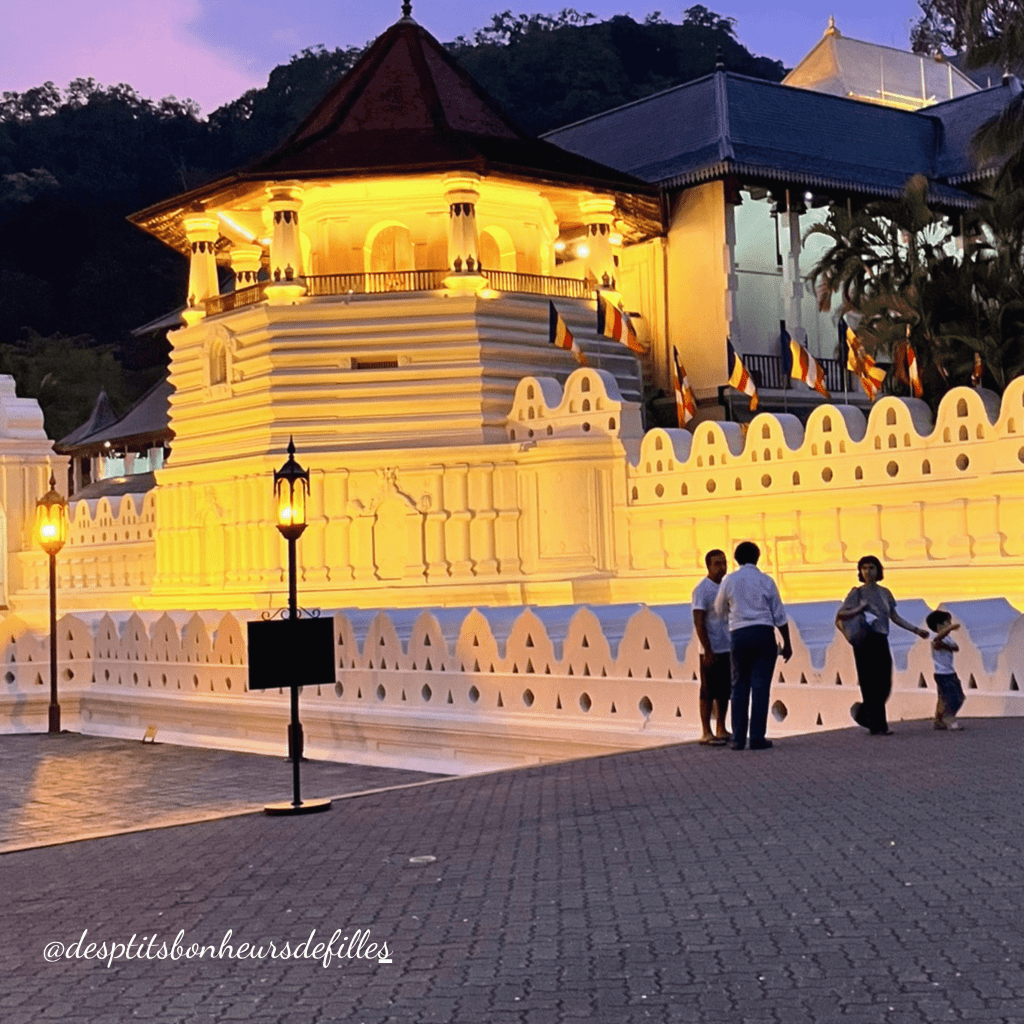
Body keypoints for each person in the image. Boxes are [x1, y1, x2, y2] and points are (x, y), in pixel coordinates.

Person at [837, 555, 928, 736]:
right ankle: (878, 726)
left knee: (884, 683)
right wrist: (859, 609)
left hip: (880, 639)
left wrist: (916, 630)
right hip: (864, 640)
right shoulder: (857, 593)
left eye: (871, 568)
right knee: (869, 683)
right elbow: (841, 615)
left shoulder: (884, 593)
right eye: (864, 568)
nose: (868, 571)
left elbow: (894, 617)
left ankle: (864, 714)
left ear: (878, 570)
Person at [713, 541, 792, 751]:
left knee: (738, 687)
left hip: (739, 636)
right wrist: (788, 643)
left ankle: (738, 739)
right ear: (758, 557)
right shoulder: (766, 580)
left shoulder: (729, 581)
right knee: (760, 688)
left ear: (736, 559)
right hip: (764, 635)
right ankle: (757, 737)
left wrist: (733, 618)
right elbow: (779, 615)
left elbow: (719, 609)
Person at [692, 549, 732, 746]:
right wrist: (707, 650)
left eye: (724, 563)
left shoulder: (726, 587)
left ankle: (721, 728)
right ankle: (706, 731)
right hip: (710, 648)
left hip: (727, 646)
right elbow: (699, 621)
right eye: (717, 563)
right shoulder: (702, 590)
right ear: (708, 566)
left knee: (724, 690)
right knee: (708, 690)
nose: (722, 567)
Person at [926, 609, 966, 731]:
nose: (950, 625)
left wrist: (947, 645)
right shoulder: (935, 636)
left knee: (945, 698)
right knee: (954, 698)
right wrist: (950, 629)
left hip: (949, 672)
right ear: (939, 626)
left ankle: (938, 720)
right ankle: (950, 719)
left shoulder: (948, 639)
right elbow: (937, 641)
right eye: (947, 623)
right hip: (942, 674)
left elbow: (955, 647)